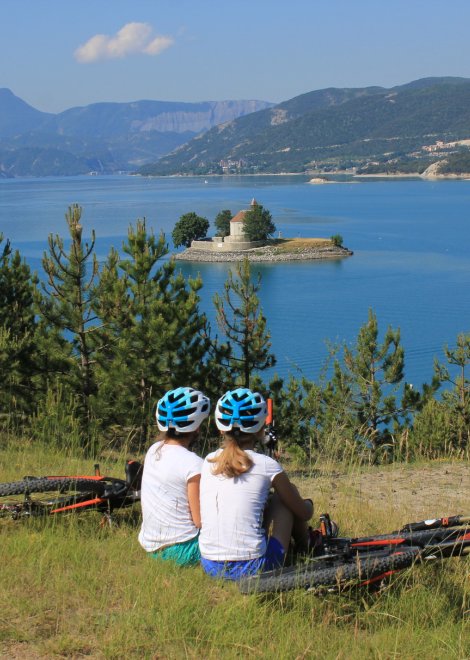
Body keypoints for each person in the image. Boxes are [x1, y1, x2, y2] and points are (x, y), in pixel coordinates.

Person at [199, 387, 314, 580]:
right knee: (285, 497)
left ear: (221, 428)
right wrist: (309, 506)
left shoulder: (208, 461)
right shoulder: (268, 465)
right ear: (261, 429)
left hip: (210, 565)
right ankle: (306, 548)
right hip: (256, 568)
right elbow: (302, 513)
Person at [138, 386, 210, 566]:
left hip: (152, 548)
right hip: (183, 551)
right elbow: (200, 520)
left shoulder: (153, 450)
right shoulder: (194, 464)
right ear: (197, 427)